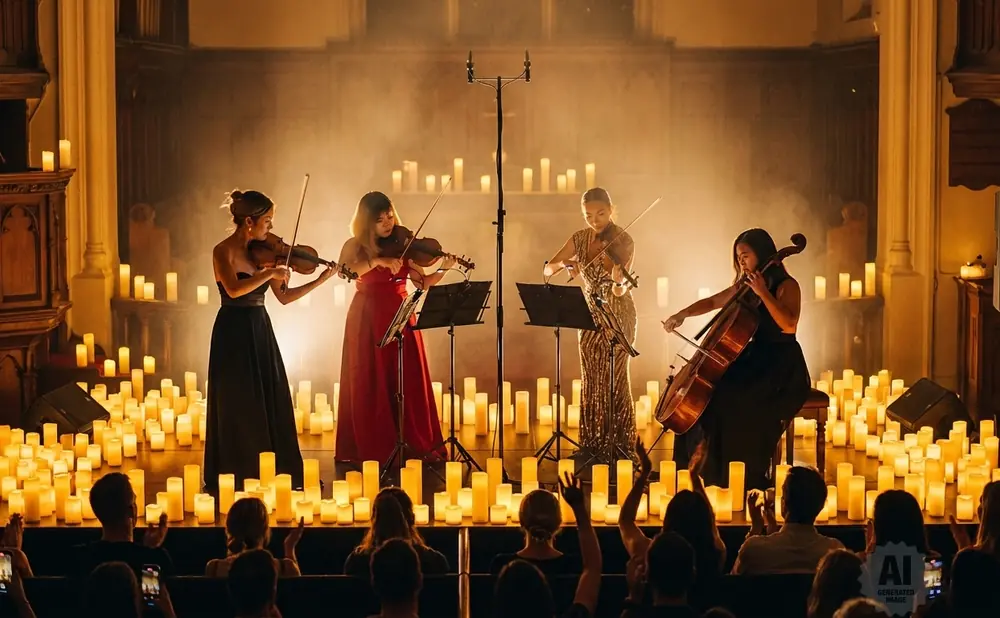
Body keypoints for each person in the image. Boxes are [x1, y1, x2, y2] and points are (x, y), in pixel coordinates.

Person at [205, 189, 336, 490]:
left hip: (259, 328)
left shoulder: (265, 255)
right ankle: (239, 472)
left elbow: (285, 297)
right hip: (232, 330)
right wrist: (270, 272)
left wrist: (319, 280)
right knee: (238, 402)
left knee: (269, 398)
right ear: (249, 221)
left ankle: (274, 469)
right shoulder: (222, 251)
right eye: (267, 222)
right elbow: (234, 290)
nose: (271, 230)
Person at [662, 228, 809, 489]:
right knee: (709, 394)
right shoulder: (745, 287)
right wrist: (682, 314)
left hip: (781, 367)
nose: (741, 261)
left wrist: (764, 293)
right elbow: (713, 302)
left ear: (762, 253)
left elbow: (789, 325)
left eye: (745, 255)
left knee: (731, 399)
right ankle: (697, 469)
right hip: (755, 359)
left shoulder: (787, 286)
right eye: (738, 257)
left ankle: (734, 475)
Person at [335, 191, 452, 465]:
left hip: (401, 313)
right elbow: (343, 271)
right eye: (380, 220)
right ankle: (376, 444)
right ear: (366, 222)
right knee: (368, 376)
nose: (388, 223)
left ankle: (411, 441)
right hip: (366, 316)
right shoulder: (355, 246)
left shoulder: (403, 243)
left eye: (389, 216)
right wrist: (377, 261)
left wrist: (445, 268)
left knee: (405, 376)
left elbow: (422, 282)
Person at [543, 187, 637, 460]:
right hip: (589, 316)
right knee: (592, 380)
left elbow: (620, 292)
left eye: (601, 214)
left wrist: (619, 281)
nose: (595, 221)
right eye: (589, 215)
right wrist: (568, 264)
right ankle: (592, 445)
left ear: (611, 210)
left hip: (617, 313)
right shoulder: (580, 238)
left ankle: (620, 446)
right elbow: (548, 268)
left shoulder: (623, 239)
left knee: (615, 380)